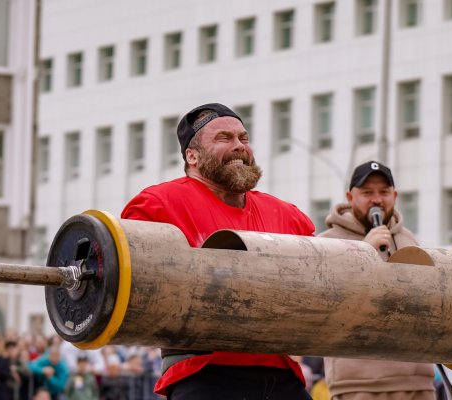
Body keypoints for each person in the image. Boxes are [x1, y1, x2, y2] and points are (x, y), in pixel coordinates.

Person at [121, 103, 315, 400]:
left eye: (244, 138)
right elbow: (129, 276)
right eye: (224, 138)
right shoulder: (157, 205)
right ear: (192, 156)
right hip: (202, 371)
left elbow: (326, 281)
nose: (239, 146)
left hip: (278, 371)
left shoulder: (287, 215)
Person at [319, 161, 435, 400]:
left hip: (417, 382)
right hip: (357, 385)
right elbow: (324, 301)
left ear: (395, 196)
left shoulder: (410, 240)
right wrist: (363, 252)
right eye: (367, 193)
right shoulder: (327, 242)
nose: (377, 200)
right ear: (350, 197)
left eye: (384, 192)